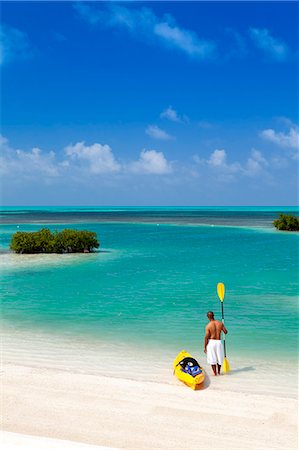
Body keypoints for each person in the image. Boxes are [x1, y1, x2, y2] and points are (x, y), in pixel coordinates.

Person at [204, 311, 228, 376]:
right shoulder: (220, 323)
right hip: (219, 342)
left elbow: (206, 337)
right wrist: (222, 324)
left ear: (208, 317)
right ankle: (219, 372)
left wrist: (205, 347)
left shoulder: (208, 326)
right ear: (213, 315)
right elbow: (225, 332)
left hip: (211, 343)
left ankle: (215, 373)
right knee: (219, 358)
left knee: (212, 359)